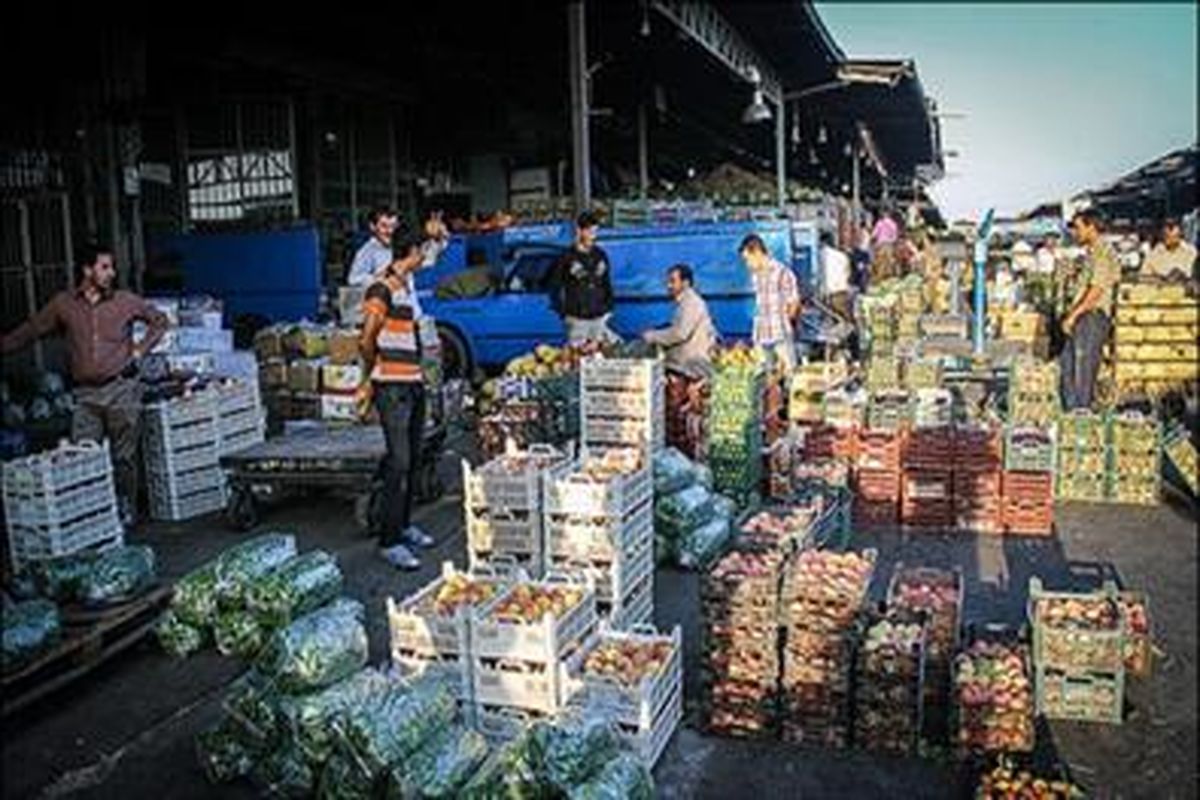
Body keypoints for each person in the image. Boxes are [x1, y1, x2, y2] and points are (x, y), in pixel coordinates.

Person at [1, 243, 170, 526]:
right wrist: (5, 344)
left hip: (121, 389)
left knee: (124, 457)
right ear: (87, 270)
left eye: (111, 267)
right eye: (105, 267)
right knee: (83, 456)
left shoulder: (125, 301)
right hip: (86, 395)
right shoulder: (63, 305)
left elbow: (160, 321)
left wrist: (140, 349)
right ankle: (95, 514)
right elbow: (31, 330)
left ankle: (126, 507)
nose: (111, 273)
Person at [357, 234, 439, 570]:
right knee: (399, 461)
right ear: (413, 252)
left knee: (415, 456)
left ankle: (404, 525)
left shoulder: (406, 286)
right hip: (391, 386)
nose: (425, 258)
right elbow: (366, 339)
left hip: (413, 382)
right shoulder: (382, 288)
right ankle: (388, 541)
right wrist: (369, 379)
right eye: (423, 252)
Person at [1059, 210, 1121, 410]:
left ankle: (1081, 420)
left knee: (1082, 372)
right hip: (1082, 317)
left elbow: (1096, 291)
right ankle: (1072, 414)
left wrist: (1073, 316)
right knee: (1068, 366)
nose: (1075, 233)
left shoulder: (1102, 253)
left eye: (1078, 228)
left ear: (1091, 227)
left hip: (1091, 318)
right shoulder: (1092, 253)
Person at [347, 207, 450, 320]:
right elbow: (353, 279)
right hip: (385, 314)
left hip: (411, 311)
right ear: (372, 226)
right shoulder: (367, 251)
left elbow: (428, 258)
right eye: (384, 226)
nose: (390, 231)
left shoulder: (401, 244)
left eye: (393, 226)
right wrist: (380, 278)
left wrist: (439, 237)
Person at [548, 210, 618, 343]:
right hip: (577, 321)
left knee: (599, 359)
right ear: (579, 231)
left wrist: (609, 309)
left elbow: (606, 283)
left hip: (599, 318)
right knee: (578, 359)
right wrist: (564, 314)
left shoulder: (600, 255)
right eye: (590, 232)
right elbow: (554, 287)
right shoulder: (566, 257)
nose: (593, 236)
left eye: (595, 232)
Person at [641, 264, 717, 379]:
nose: (668, 285)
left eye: (672, 281)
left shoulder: (692, 303)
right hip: (684, 366)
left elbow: (680, 334)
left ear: (685, 283)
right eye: (667, 282)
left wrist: (652, 336)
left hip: (690, 369)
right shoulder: (685, 302)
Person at [739, 233, 801, 371]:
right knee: (762, 380)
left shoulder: (783, 273)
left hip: (780, 336)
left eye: (747, 259)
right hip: (761, 336)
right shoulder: (756, 276)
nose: (747, 265)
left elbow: (794, 303)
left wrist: (784, 322)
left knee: (789, 376)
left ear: (757, 252)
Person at [817, 231, 852, 320]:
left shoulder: (820, 255)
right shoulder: (842, 256)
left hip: (828, 293)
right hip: (841, 291)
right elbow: (847, 273)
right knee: (844, 319)